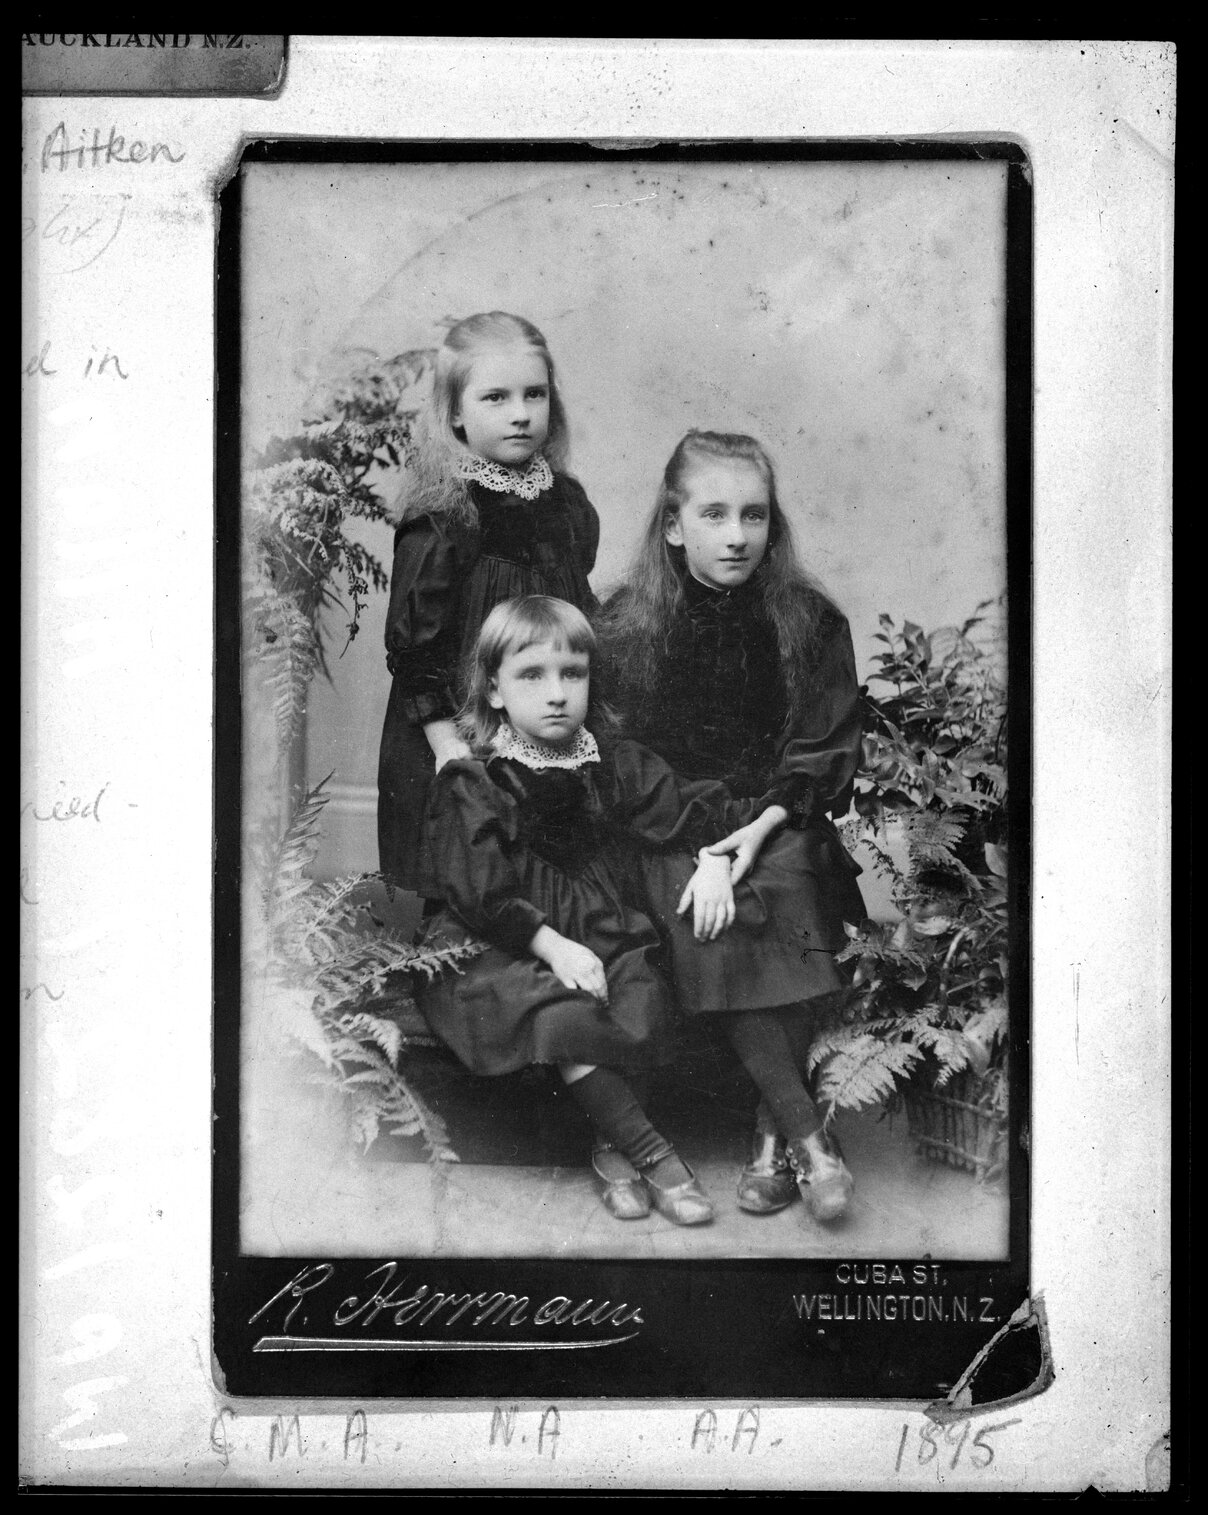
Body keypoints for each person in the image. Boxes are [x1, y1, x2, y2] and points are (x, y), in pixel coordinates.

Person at [598, 430, 869, 1224]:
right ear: (673, 524)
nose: (737, 534)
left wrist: (756, 830)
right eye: (713, 514)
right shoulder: (623, 625)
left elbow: (822, 748)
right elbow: (620, 760)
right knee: (705, 907)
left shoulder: (810, 622)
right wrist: (710, 847)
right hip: (666, 829)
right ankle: (805, 1134)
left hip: (777, 820)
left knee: (791, 878)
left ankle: (770, 1134)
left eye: (754, 514)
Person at [414, 595, 749, 1228]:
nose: (557, 693)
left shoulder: (612, 763)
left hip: (600, 927)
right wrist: (554, 947)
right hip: (501, 941)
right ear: (493, 689)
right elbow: (480, 891)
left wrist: (713, 856)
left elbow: (692, 809)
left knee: (639, 994)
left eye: (573, 673)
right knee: (559, 1009)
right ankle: (653, 1154)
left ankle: (609, 1150)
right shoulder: (474, 779)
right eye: (531, 675)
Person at [377, 312, 600, 901]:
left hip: (547, 703)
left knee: (556, 871)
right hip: (462, 721)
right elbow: (416, 652)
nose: (520, 413)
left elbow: (578, 610)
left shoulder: (567, 504)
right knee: (476, 865)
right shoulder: (445, 516)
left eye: (534, 394)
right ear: (455, 412)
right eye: (496, 398)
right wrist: (446, 745)